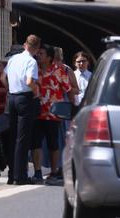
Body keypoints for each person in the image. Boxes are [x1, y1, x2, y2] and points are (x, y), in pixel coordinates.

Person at [3, 34, 40, 185]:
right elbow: (30, 80)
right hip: (25, 98)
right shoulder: (31, 61)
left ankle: (11, 174)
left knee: (12, 137)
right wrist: (36, 92)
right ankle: (21, 176)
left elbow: (2, 78)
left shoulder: (13, 59)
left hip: (11, 98)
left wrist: (11, 89)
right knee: (22, 138)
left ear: (25, 44)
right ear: (36, 48)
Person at [37, 45, 72, 185]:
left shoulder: (59, 71)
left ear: (49, 57)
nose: (38, 55)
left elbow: (69, 88)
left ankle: (53, 171)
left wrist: (72, 106)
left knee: (53, 144)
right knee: (36, 144)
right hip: (37, 112)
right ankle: (38, 172)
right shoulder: (34, 70)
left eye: (41, 53)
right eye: (38, 53)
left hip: (52, 114)